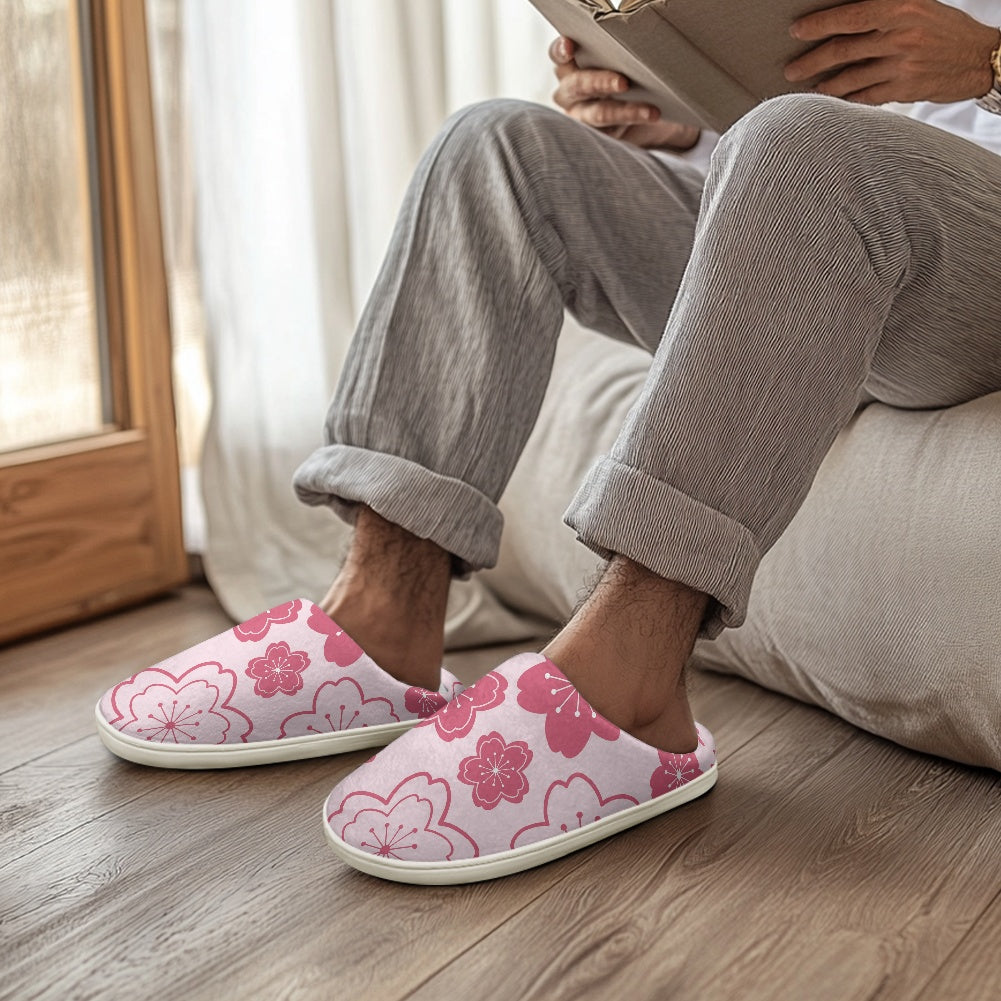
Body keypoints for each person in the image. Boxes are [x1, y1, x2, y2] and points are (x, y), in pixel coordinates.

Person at [97, 0, 1001, 883]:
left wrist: (987, 61)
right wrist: (670, 115)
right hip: (809, 199)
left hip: (955, 229)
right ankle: (383, 617)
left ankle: (634, 687)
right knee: (498, 145)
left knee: (804, 148)